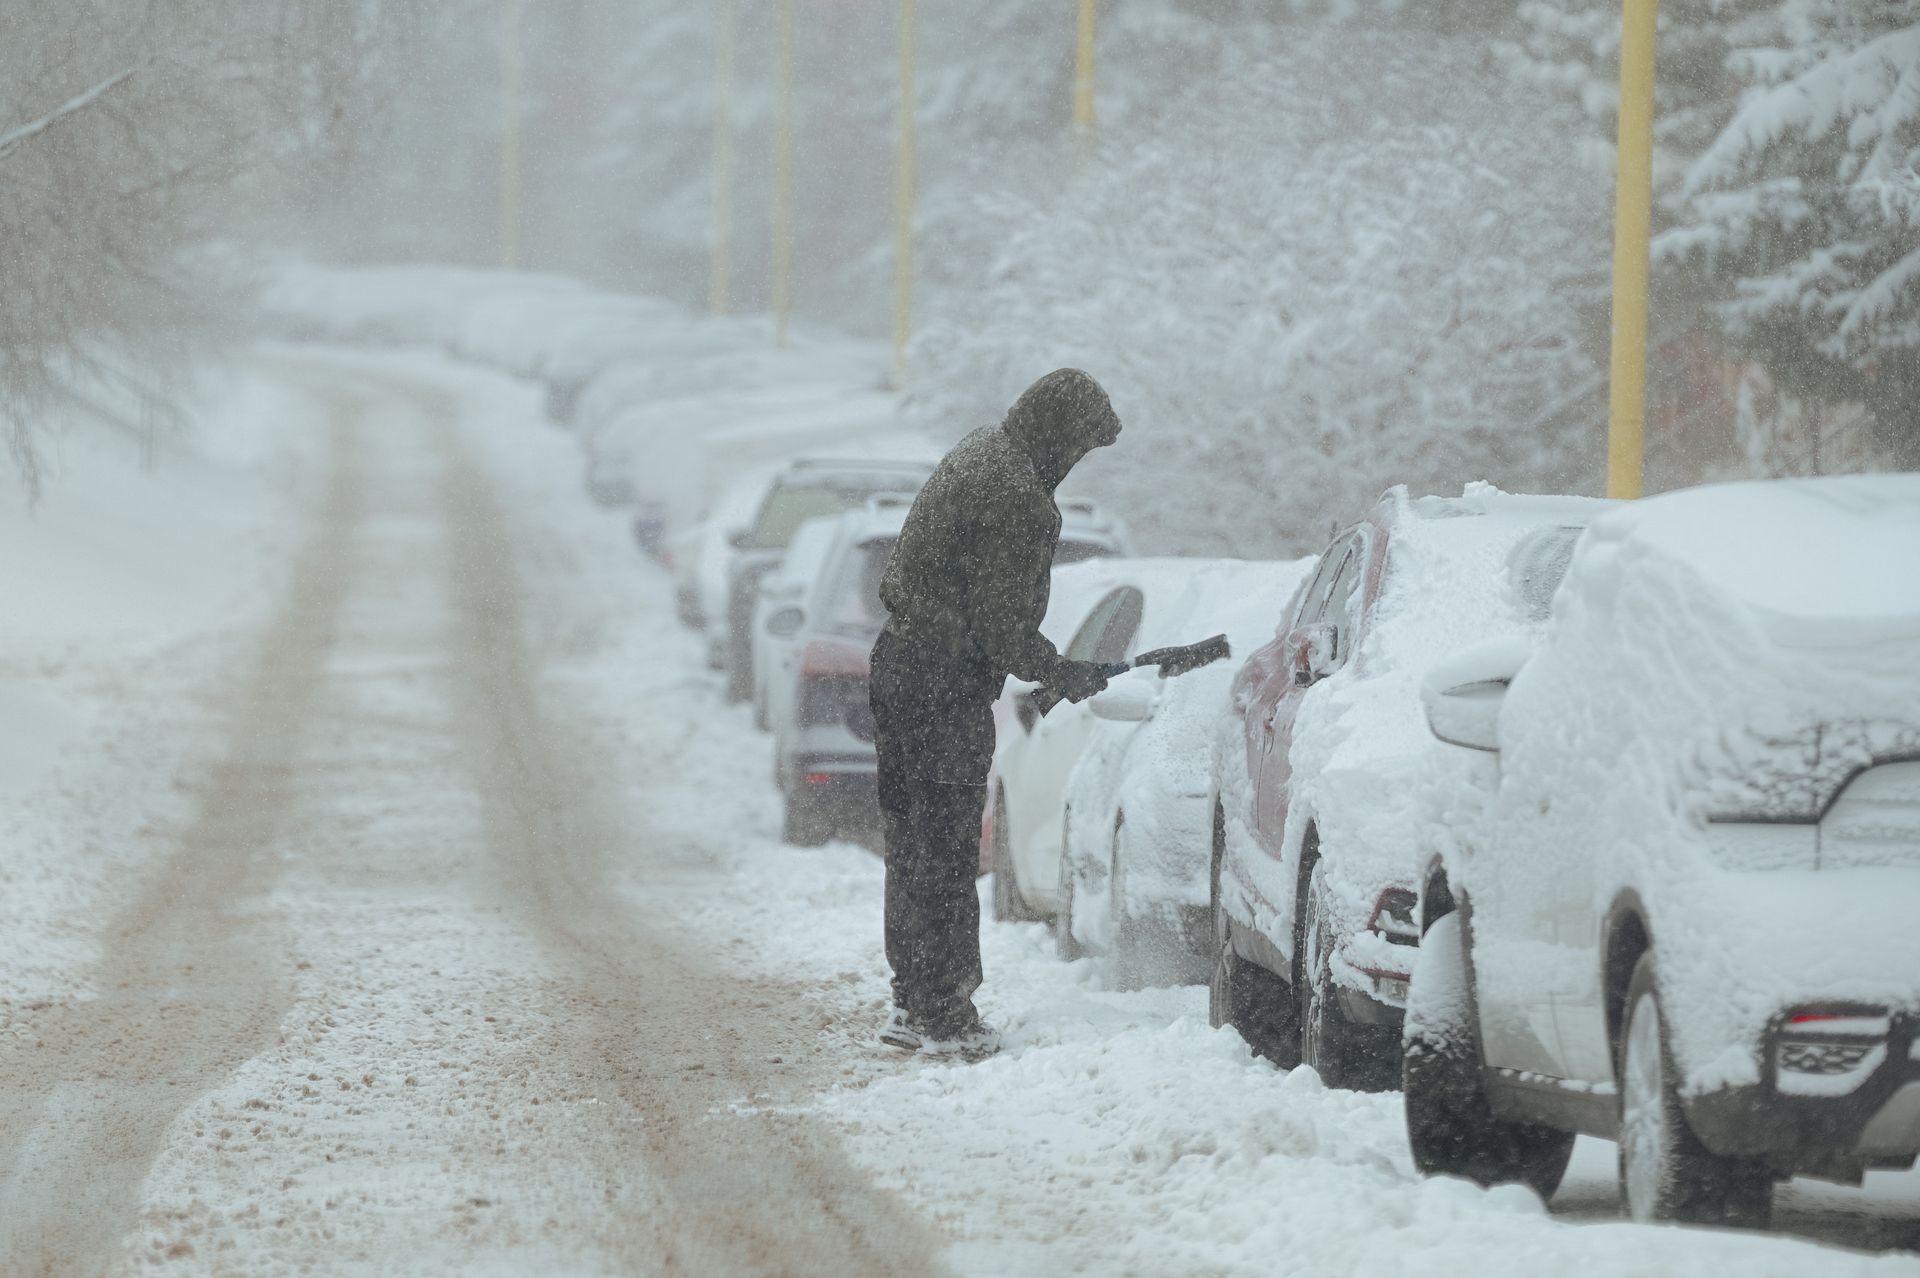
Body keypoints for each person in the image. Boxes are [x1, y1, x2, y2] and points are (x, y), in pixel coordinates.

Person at [868, 368, 1123, 1059]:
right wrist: (1059, 668)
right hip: (942, 683)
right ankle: (944, 1013)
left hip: (898, 664)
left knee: (914, 842)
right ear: (1060, 434)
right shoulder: (1019, 497)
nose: (1075, 465)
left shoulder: (983, 450)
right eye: (1080, 448)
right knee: (948, 849)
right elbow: (1000, 619)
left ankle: (912, 999)